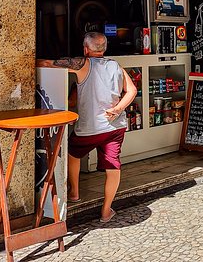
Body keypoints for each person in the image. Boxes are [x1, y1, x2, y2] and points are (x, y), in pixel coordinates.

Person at [36, 32, 137, 223]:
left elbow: (48, 64)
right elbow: (132, 90)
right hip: (115, 127)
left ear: (85, 49)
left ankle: (74, 192)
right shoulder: (116, 65)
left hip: (90, 128)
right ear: (105, 48)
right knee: (113, 165)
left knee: (73, 153)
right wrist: (117, 109)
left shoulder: (82, 64)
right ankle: (106, 211)